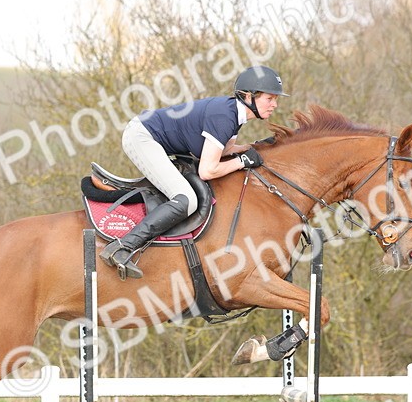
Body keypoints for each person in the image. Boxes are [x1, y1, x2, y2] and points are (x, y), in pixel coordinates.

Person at [100, 65, 288, 279]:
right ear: (248, 96)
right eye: (270, 98)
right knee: (186, 199)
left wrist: (252, 148)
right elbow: (207, 170)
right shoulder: (224, 117)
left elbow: (224, 150)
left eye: (275, 99)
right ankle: (122, 247)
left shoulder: (233, 115)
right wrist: (242, 162)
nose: (275, 105)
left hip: (152, 136)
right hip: (142, 137)